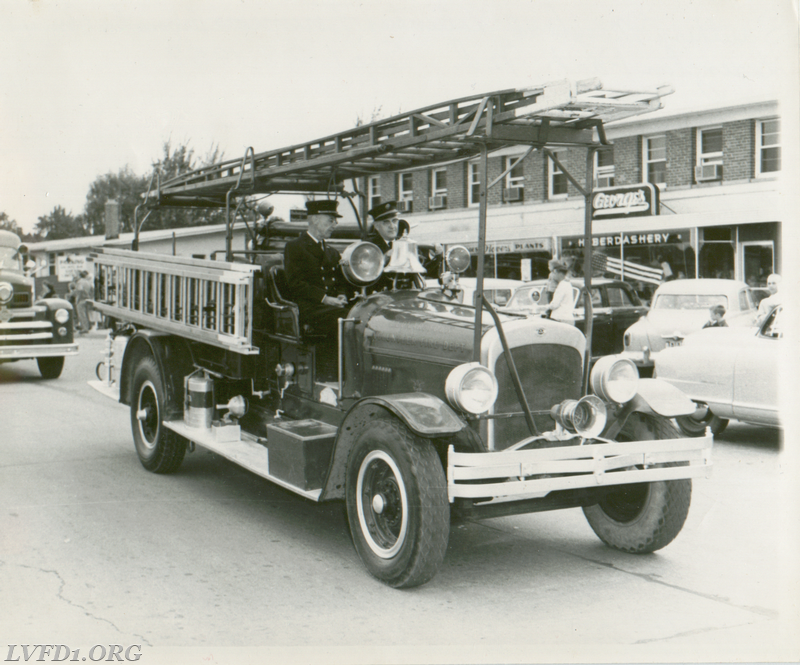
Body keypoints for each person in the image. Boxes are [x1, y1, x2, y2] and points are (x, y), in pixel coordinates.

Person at [283, 199, 352, 338]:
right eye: (330, 220)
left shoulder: (332, 252)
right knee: (350, 317)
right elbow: (296, 284)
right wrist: (325, 299)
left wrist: (341, 294)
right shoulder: (295, 247)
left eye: (335, 221)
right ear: (314, 219)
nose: (335, 225)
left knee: (361, 312)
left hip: (330, 306)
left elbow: (340, 280)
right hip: (310, 308)